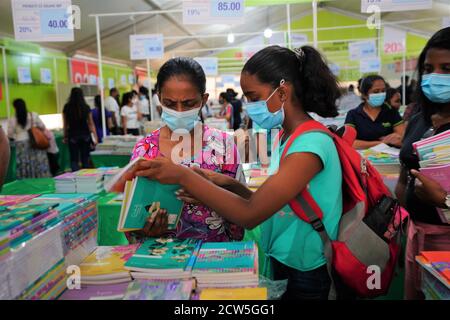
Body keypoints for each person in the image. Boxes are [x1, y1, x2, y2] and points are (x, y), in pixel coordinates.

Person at [132, 46, 344, 300]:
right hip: (287, 258)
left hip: (308, 266)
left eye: (254, 97)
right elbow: (265, 202)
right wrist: (228, 184)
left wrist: (182, 175)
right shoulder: (288, 138)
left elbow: (250, 214)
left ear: (283, 91)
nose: (249, 106)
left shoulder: (310, 145)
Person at [117, 57, 244, 243]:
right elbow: (132, 216)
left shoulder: (223, 145)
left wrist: (211, 196)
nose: (179, 111)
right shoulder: (144, 149)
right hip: (160, 259)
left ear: (204, 99)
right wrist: (145, 230)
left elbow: (244, 210)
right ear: (159, 98)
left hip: (212, 258)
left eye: (189, 104)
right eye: (169, 103)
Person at [395, 27, 450, 300]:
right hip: (416, 232)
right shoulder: (420, 116)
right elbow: (406, 169)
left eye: (447, 68)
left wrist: (446, 201)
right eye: (429, 68)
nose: (435, 77)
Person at [345, 75, 406, 149]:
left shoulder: (392, 112)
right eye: (376, 91)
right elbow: (349, 142)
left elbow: (403, 140)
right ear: (364, 95)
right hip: (361, 158)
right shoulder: (353, 114)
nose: (381, 94)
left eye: (383, 91)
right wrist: (382, 143)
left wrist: (398, 140)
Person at [7, 99, 51, 179]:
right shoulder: (33, 115)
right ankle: (39, 178)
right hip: (34, 141)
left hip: (20, 144)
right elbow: (42, 126)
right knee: (37, 162)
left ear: (15, 107)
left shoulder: (13, 119)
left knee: (24, 164)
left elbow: (10, 134)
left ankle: (26, 181)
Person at [63, 87, 98, 172]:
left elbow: (65, 124)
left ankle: (75, 177)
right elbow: (91, 123)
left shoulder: (67, 107)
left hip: (73, 135)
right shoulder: (86, 107)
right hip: (85, 135)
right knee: (85, 158)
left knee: (74, 159)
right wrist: (95, 137)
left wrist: (65, 136)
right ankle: (85, 178)